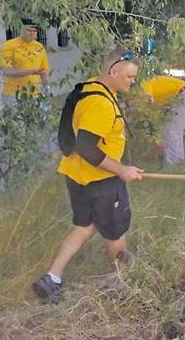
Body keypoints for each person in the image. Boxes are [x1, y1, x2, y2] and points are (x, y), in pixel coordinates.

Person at [32, 48, 144, 304]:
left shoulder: (93, 88)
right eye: (129, 76)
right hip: (100, 181)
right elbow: (86, 147)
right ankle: (123, 283)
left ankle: (52, 277)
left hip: (77, 176)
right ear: (113, 71)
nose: (132, 81)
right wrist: (122, 170)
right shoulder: (100, 104)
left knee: (85, 226)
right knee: (115, 230)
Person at [140, 74, 185, 165]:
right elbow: (152, 114)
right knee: (174, 130)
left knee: (170, 130)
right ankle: (178, 163)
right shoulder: (147, 83)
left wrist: (128, 105)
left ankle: (171, 164)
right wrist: (158, 140)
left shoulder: (143, 83)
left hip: (184, 94)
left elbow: (147, 100)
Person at [0, 22, 50, 105]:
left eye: (34, 31)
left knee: (35, 118)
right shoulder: (9, 45)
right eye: (29, 30)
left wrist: (46, 88)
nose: (32, 33)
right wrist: (30, 72)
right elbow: (7, 70)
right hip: (13, 94)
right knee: (15, 118)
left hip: (35, 94)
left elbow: (44, 70)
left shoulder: (39, 47)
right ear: (22, 30)